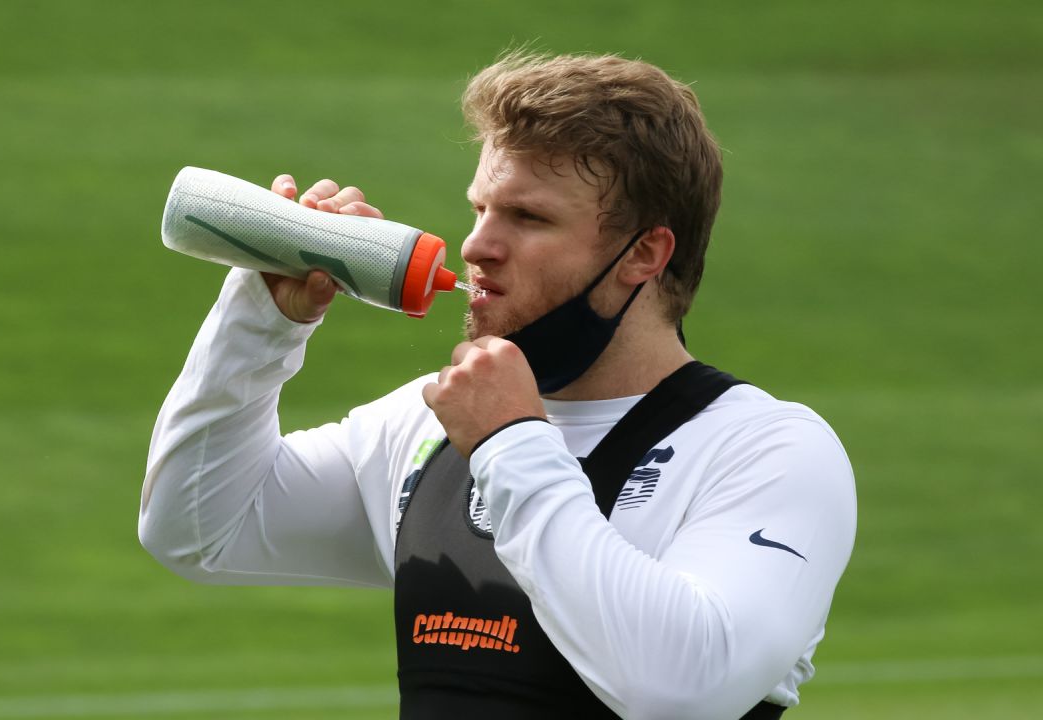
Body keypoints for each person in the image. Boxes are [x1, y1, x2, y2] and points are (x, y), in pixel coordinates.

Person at [139, 52, 856, 720]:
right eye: (481, 207)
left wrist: (514, 443)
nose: (478, 245)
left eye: (528, 217)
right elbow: (199, 529)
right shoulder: (428, 425)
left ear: (645, 252)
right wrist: (261, 320)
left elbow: (680, 690)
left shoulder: (766, 450)